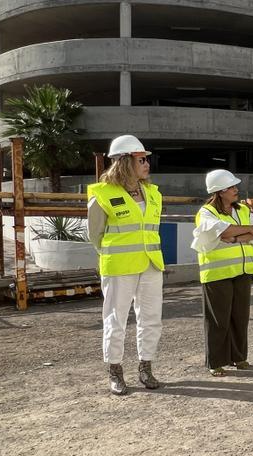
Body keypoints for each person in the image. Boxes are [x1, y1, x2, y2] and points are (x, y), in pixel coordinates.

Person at [87, 135, 164, 395]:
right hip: (119, 266)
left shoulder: (153, 193)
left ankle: (146, 368)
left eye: (147, 159)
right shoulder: (103, 194)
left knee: (151, 318)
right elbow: (95, 235)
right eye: (141, 159)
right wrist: (112, 256)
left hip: (151, 263)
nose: (147, 164)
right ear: (124, 162)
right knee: (116, 320)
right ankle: (115, 371)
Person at [191, 170, 253, 377]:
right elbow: (221, 232)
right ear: (220, 191)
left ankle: (238, 357)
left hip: (243, 270)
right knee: (218, 320)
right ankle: (216, 362)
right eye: (232, 187)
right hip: (217, 273)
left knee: (240, 316)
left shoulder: (243, 210)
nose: (236, 190)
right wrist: (242, 231)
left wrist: (234, 236)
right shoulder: (206, 213)